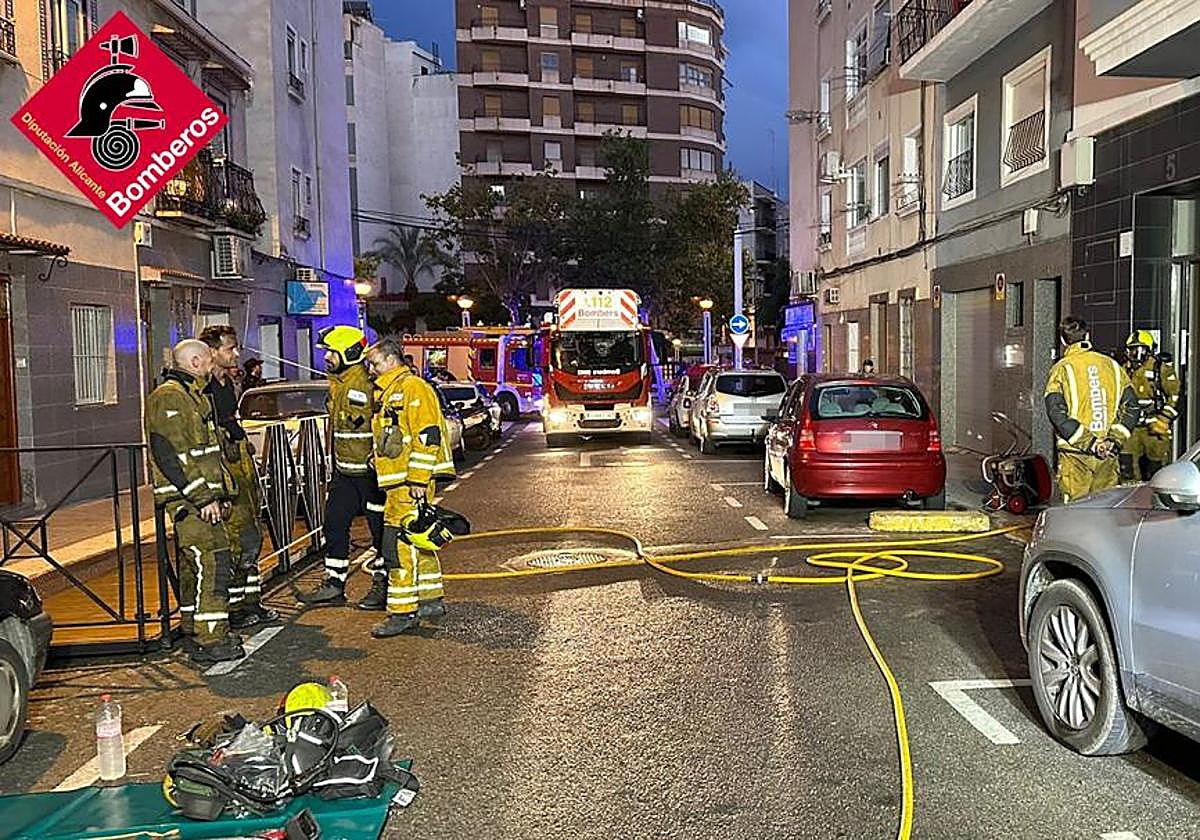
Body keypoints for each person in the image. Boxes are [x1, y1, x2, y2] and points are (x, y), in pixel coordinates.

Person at [146, 340, 243, 664]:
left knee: (196, 567)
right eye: (209, 359)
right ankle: (212, 638)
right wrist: (203, 497)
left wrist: (222, 492)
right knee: (212, 565)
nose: (213, 365)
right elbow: (171, 453)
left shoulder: (190, 395)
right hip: (191, 500)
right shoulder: (170, 398)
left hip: (200, 498)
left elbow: (204, 452)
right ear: (197, 361)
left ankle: (194, 628)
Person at [364, 337, 457, 638]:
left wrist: (418, 478)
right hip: (400, 482)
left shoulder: (412, 388)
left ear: (391, 360)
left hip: (408, 484)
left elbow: (427, 436)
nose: (371, 369)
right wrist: (376, 457)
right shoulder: (392, 390)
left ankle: (402, 612)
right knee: (418, 540)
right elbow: (398, 435)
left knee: (398, 548)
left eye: (375, 363)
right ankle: (430, 600)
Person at [298, 326, 388, 608]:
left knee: (381, 533)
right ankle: (334, 584)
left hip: (370, 476)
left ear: (348, 353)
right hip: (345, 473)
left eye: (331, 352)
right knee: (334, 525)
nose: (326, 357)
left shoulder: (368, 384)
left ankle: (383, 585)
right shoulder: (339, 382)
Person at [199, 325, 278, 631]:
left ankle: (252, 603)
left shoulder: (227, 382)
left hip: (241, 466)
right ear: (212, 352)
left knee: (251, 536)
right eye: (230, 349)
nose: (236, 354)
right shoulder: (203, 389)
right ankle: (233, 609)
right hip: (225, 469)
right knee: (233, 541)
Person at [1044, 316, 1141, 503]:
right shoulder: (1112, 366)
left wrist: (1090, 442)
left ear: (1063, 341)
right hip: (1108, 455)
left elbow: (1056, 412)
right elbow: (1132, 407)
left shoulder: (1061, 369)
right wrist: (1113, 439)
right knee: (1105, 510)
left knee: (1076, 513)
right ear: (1087, 336)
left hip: (1076, 456)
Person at [1121, 330, 1181, 482]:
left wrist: (1164, 419)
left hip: (1155, 430)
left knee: (1156, 473)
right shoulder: (1124, 370)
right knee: (1127, 471)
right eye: (1132, 350)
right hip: (1131, 429)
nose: (1135, 355)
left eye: (1139, 350)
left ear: (1149, 350)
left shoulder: (1160, 369)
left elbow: (1175, 396)